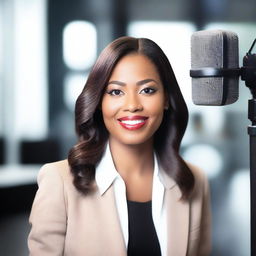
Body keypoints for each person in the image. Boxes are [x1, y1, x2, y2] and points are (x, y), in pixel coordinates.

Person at [28, 36, 211, 256]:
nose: (132, 105)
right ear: (98, 102)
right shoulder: (59, 181)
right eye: (116, 92)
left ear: (166, 99)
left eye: (147, 90)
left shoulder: (194, 180)